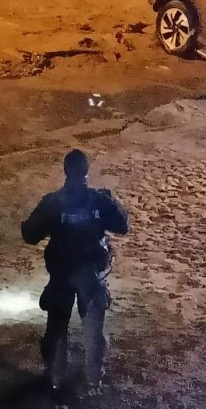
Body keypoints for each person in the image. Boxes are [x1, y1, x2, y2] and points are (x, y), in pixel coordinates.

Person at [21, 150, 129, 391]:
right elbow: (123, 225)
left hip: (62, 272)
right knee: (93, 328)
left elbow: (29, 234)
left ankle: (54, 375)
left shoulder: (53, 202)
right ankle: (93, 379)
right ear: (86, 172)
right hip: (89, 274)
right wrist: (110, 201)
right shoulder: (98, 200)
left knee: (57, 324)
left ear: (65, 171)